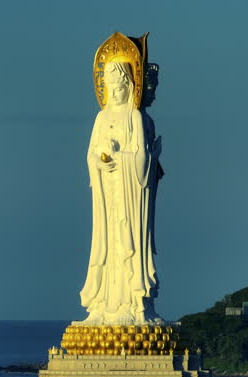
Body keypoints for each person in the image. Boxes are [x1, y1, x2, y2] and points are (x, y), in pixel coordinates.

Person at [79, 62, 161, 325]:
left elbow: (141, 158)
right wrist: (99, 161)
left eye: (119, 88)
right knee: (107, 246)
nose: (114, 93)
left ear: (129, 87)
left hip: (130, 195)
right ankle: (103, 306)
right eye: (110, 89)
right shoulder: (101, 118)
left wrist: (123, 157)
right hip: (108, 193)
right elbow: (90, 155)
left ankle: (133, 304)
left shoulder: (135, 117)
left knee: (129, 245)